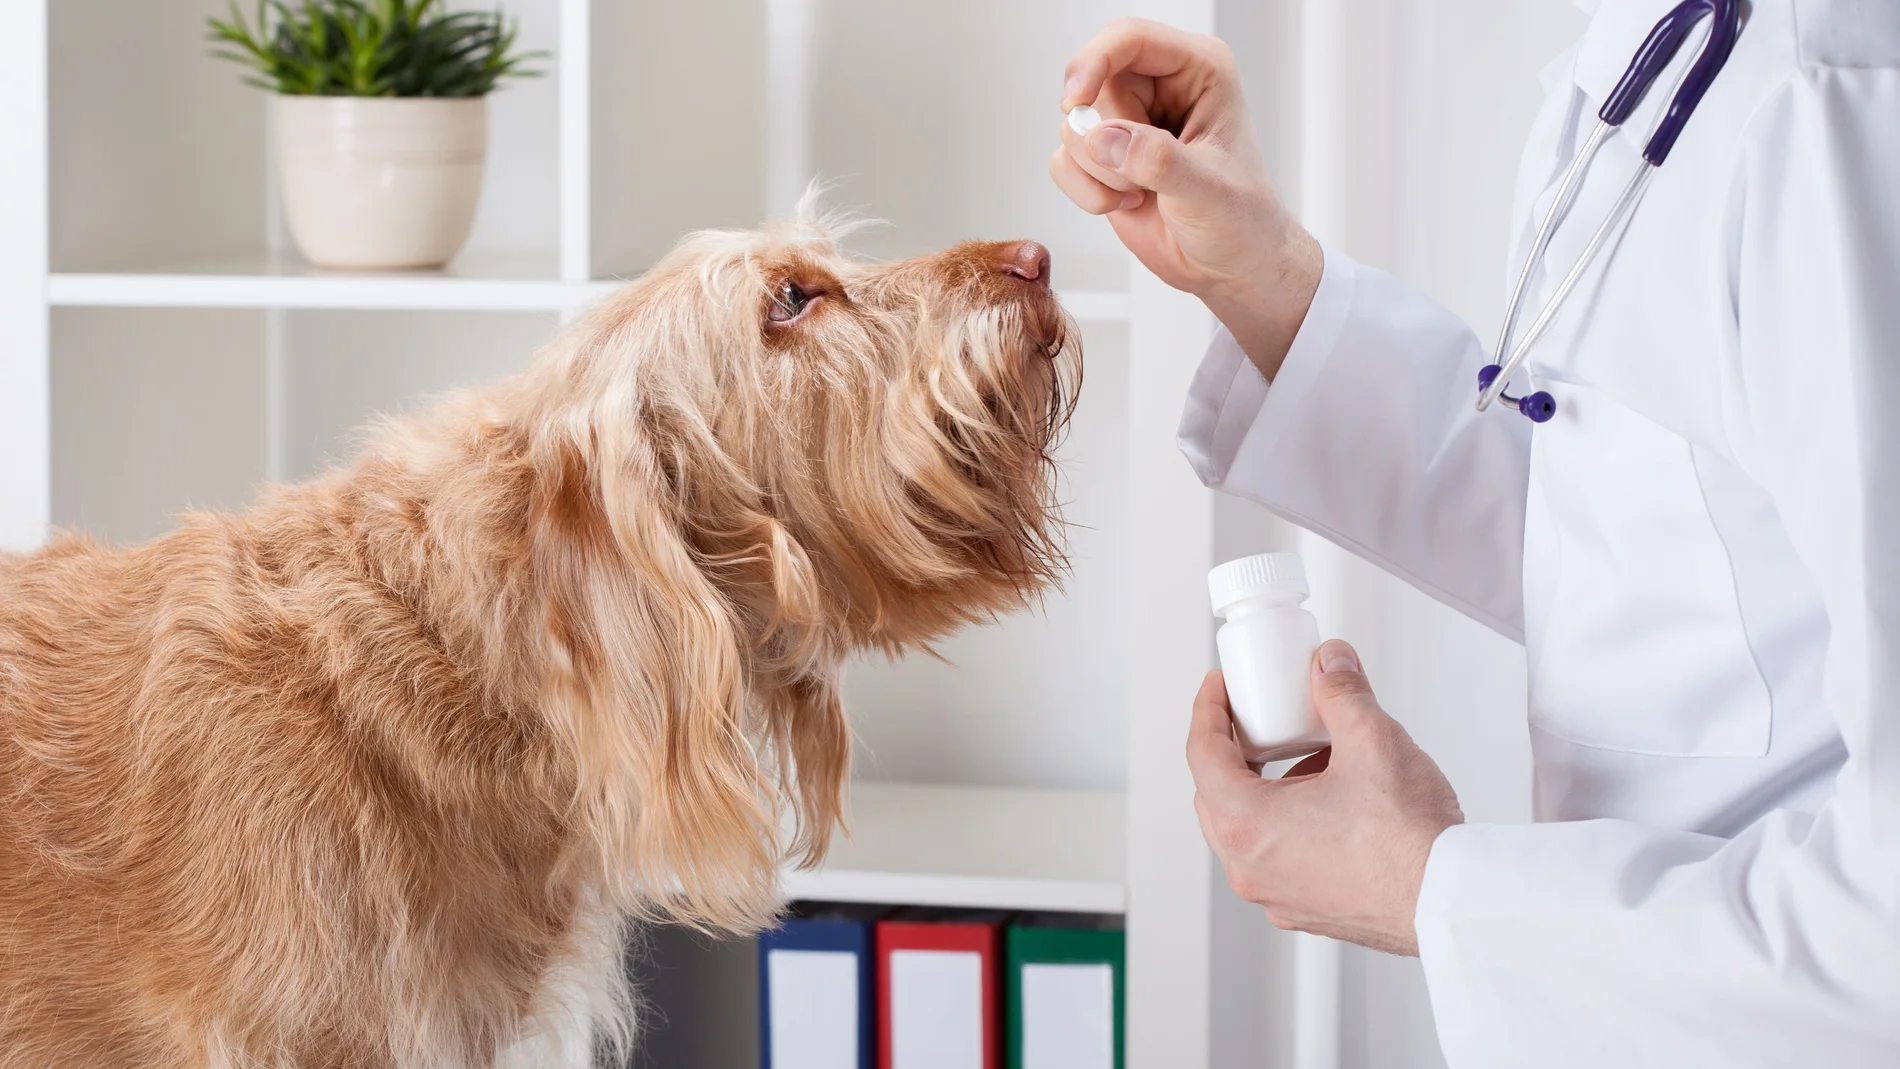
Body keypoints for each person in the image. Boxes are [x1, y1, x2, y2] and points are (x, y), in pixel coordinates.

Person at [1051, 3, 1900, 1064]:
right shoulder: (1670, 54)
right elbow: (1657, 537)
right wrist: (1259, 274)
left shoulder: (1832, 100)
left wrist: (1422, 885)